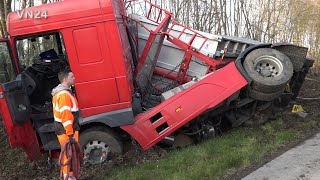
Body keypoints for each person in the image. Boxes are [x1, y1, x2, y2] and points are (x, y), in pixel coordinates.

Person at [52, 69, 80, 180]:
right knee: (69, 156)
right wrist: (70, 134)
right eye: (72, 76)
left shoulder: (62, 92)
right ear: (65, 79)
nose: (74, 78)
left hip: (65, 130)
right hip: (67, 131)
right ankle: (68, 177)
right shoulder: (64, 95)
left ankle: (69, 176)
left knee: (69, 155)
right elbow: (66, 116)